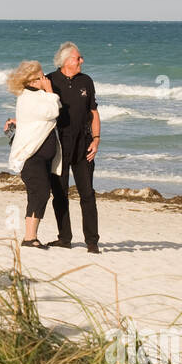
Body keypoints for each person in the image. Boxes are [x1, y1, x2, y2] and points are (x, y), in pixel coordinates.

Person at [46, 42, 102, 252]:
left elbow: (94, 112)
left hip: (84, 146)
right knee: (60, 194)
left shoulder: (86, 81)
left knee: (87, 193)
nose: (81, 61)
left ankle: (92, 241)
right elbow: (36, 105)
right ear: (67, 60)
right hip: (58, 146)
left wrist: (96, 139)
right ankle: (64, 238)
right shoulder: (50, 80)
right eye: (78, 58)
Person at [6, 60, 62, 249]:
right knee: (41, 192)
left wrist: (46, 91)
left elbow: (52, 107)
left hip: (41, 156)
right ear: (30, 80)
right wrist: (50, 90)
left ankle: (31, 237)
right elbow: (53, 111)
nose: (44, 78)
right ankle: (30, 237)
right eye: (40, 77)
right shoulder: (28, 97)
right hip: (32, 156)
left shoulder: (36, 95)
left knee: (38, 194)